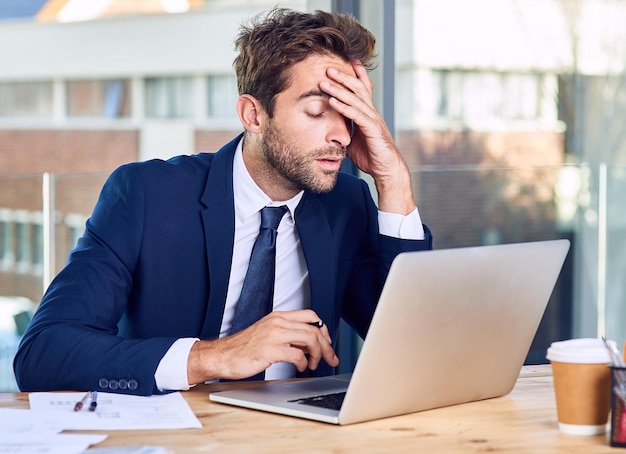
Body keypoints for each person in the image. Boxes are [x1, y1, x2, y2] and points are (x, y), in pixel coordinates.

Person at [13, 8, 432, 396]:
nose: (341, 135)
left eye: (350, 114)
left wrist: (392, 179)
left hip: (300, 435)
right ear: (253, 115)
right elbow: (43, 353)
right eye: (318, 112)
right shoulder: (145, 195)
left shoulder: (346, 203)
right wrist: (217, 355)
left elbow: (411, 347)